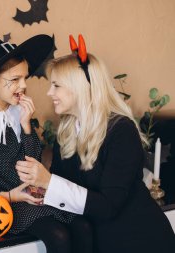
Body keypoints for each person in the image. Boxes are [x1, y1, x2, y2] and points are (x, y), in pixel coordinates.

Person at [0, 8, 93, 253]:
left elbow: (33, 162)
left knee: (83, 227)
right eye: (15, 79)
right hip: (6, 205)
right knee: (58, 235)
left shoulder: (19, 112)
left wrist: (27, 126)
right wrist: (10, 195)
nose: (23, 86)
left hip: (34, 197)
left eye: (25, 78)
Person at [16, 34, 175, 253]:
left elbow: (108, 206)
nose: (49, 92)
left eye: (56, 85)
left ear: (80, 87)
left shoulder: (121, 130)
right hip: (98, 242)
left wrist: (49, 182)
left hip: (141, 241)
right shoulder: (67, 132)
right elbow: (61, 189)